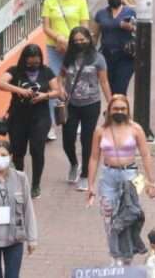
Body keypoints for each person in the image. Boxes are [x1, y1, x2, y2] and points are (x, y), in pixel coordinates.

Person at [85, 95, 155, 266]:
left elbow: (146, 154)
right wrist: (90, 185)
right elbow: (94, 158)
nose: (119, 111)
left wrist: (151, 180)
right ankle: (114, 256)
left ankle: (127, 255)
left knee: (128, 215)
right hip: (108, 177)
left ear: (128, 110)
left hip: (130, 177)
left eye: (122, 109)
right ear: (109, 110)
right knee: (108, 217)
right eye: (115, 108)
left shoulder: (136, 129)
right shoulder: (100, 131)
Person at [0, 45, 59, 198]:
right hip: (18, 117)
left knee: (37, 150)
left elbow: (58, 91)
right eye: (30, 63)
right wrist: (20, 91)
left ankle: (36, 184)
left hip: (40, 117)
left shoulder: (46, 71)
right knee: (18, 152)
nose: (33, 66)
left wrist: (44, 96)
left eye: (36, 63)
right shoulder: (15, 70)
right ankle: (19, 180)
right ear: (24, 60)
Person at [61, 26, 112, 192]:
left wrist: (111, 103)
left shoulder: (98, 58)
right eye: (75, 41)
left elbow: (104, 82)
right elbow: (61, 77)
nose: (79, 43)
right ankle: (74, 164)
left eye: (82, 40)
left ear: (89, 40)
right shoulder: (68, 58)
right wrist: (60, 90)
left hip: (91, 104)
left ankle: (84, 175)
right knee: (67, 139)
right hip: (72, 104)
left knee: (86, 140)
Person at [41, 0, 90, 137]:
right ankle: (51, 125)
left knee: (75, 83)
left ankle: (75, 121)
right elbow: (46, 27)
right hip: (54, 48)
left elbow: (84, 27)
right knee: (54, 83)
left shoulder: (80, 1)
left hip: (75, 48)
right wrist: (59, 38)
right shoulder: (50, 2)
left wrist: (70, 43)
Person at [0, 141, 37, 277]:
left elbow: (28, 210)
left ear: (11, 156)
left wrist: (32, 239)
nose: (0, 158)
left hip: (14, 240)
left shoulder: (21, 178)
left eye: (3, 154)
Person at [94, 0, 137, 95]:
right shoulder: (101, 14)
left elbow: (139, 31)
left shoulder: (130, 12)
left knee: (120, 88)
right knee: (110, 87)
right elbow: (95, 35)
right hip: (107, 56)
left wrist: (130, 27)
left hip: (125, 56)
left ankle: (121, 110)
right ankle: (114, 110)